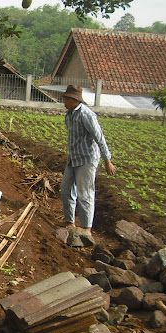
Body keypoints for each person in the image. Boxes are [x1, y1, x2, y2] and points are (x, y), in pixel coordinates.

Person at [61, 84, 117, 245]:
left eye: (66, 98)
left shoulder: (86, 115)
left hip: (87, 159)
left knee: (85, 193)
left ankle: (86, 228)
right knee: (66, 189)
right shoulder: (69, 115)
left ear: (74, 99)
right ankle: (69, 223)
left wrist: (107, 160)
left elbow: (99, 137)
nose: (64, 101)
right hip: (73, 158)